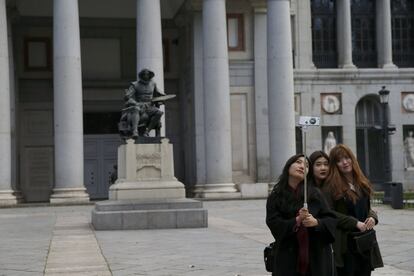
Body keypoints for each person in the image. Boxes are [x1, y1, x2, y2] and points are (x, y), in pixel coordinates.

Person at [266, 154, 337, 276]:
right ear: (288, 166)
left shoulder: (315, 194)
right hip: (287, 256)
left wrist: (316, 223)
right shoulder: (276, 196)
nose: (302, 166)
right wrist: (297, 220)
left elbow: (331, 219)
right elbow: (274, 224)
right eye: (298, 162)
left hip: (316, 256)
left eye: (307, 165)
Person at [324, 144, 379, 276]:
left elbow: (368, 207)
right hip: (345, 244)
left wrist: (372, 217)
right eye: (339, 160)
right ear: (334, 164)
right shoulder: (331, 185)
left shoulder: (361, 181)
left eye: (347, 158)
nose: (344, 162)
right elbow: (328, 213)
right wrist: (354, 223)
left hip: (365, 240)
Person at [120, 68, 165, 138]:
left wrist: (163, 98)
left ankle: (147, 131)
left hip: (149, 106)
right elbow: (127, 97)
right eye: (144, 74)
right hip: (139, 105)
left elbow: (157, 95)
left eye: (147, 74)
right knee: (135, 109)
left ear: (150, 75)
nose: (146, 76)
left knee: (159, 113)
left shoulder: (153, 84)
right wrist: (135, 103)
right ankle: (135, 131)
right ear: (141, 75)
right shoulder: (135, 84)